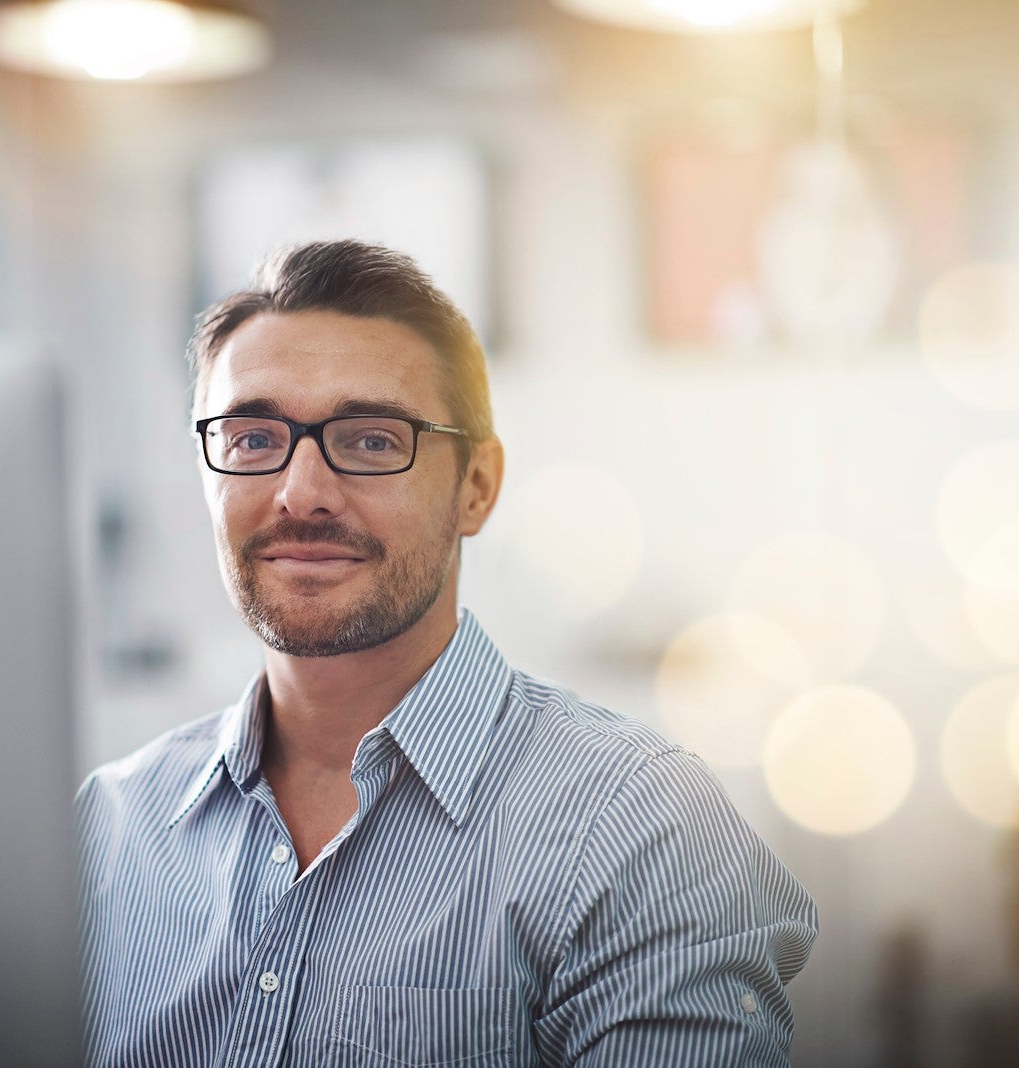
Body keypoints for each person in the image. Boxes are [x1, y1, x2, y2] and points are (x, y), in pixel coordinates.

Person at [76, 239, 818, 1067]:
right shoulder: (104, 835)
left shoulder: (641, 829)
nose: (301, 492)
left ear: (476, 488)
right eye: (254, 439)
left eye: (369, 440)